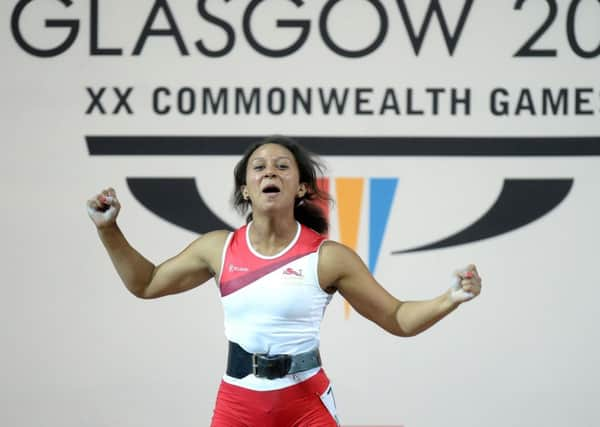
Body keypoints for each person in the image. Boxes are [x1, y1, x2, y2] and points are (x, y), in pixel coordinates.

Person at [86, 135, 482, 427]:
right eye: (258, 167)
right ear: (246, 189)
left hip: (305, 407)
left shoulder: (327, 257)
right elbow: (147, 283)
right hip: (237, 406)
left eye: (281, 166)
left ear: (302, 188)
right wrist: (109, 230)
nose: (269, 172)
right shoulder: (216, 249)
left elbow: (397, 317)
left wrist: (451, 297)